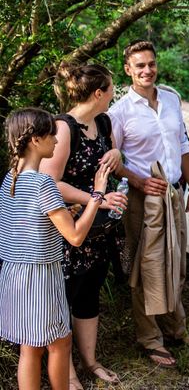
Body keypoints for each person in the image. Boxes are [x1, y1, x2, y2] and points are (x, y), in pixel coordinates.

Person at [109, 40, 189, 368]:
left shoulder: (171, 99)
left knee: (176, 264)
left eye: (151, 64)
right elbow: (111, 159)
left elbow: (182, 145)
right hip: (142, 200)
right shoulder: (119, 112)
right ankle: (149, 339)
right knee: (146, 267)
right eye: (140, 66)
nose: (147, 70)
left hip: (175, 195)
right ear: (128, 70)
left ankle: (176, 330)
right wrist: (138, 181)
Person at [0, 108, 110, 390]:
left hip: (14, 275)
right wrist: (97, 195)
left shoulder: (9, 179)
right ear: (35, 140)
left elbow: (29, 225)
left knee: (30, 347)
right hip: (40, 276)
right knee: (59, 342)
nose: (57, 140)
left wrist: (67, 209)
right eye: (50, 134)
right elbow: (74, 237)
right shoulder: (43, 183)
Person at [40, 64, 127, 389]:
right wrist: (97, 198)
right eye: (112, 88)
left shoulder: (103, 122)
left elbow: (110, 160)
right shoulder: (64, 127)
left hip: (100, 228)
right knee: (65, 296)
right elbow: (48, 182)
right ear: (98, 93)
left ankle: (91, 361)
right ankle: (68, 372)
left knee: (90, 292)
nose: (114, 94)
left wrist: (116, 152)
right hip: (69, 227)